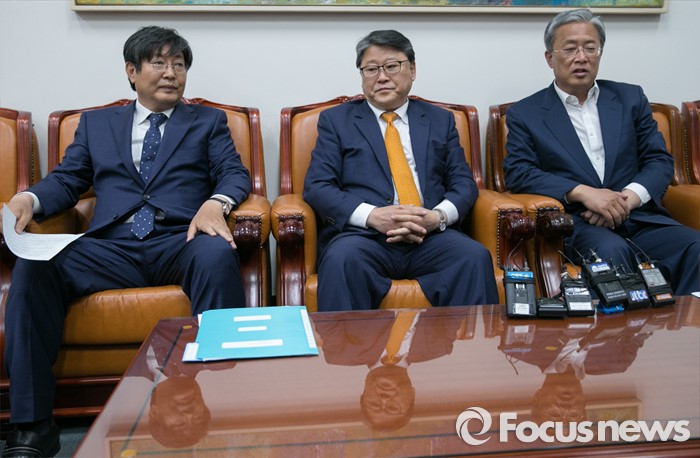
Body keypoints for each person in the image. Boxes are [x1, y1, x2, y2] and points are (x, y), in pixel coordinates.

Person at [0, 26, 251, 457]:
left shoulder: (208, 122)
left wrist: (216, 203)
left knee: (215, 253)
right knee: (34, 266)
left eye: (179, 65)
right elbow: (68, 180)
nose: (171, 73)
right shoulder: (97, 125)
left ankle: (219, 399)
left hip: (179, 240)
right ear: (132, 71)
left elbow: (233, 172)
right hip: (111, 247)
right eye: (159, 63)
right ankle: (32, 425)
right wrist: (29, 199)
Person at [503, 9, 700, 295]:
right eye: (570, 48)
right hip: (581, 223)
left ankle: (687, 323)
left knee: (695, 245)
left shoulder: (630, 98)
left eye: (590, 47)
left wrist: (625, 201)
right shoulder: (525, 113)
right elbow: (519, 172)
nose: (581, 57)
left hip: (639, 217)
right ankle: (628, 327)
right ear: (550, 58)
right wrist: (582, 193)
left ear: (600, 53)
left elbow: (658, 160)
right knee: (612, 252)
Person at [303, 29, 498, 311]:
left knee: (473, 257)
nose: (382, 77)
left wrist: (436, 217)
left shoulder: (440, 120)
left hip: (431, 235)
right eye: (371, 69)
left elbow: (463, 184)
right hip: (364, 238)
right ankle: (346, 344)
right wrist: (373, 216)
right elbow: (318, 186)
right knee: (341, 259)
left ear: (412, 70)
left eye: (392, 66)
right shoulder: (336, 121)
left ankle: (475, 342)